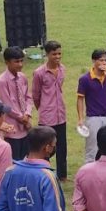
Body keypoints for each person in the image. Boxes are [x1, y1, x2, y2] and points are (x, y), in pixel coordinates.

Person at [33, 41, 69, 181]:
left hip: (61, 114)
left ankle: (62, 175)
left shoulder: (62, 69)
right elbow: (36, 95)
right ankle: (45, 172)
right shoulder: (39, 73)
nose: (57, 56)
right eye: (54, 54)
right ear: (47, 54)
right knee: (46, 147)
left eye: (59, 53)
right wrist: (43, 108)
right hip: (47, 116)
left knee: (62, 147)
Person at [0, 47, 33, 160]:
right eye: (16, 61)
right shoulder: (2, 81)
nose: (20, 64)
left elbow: (28, 97)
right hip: (12, 128)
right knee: (15, 160)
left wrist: (27, 113)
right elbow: (6, 105)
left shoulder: (22, 77)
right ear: (7, 62)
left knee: (26, 158)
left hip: (25, 125)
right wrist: (21, 118)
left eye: (22, 60)